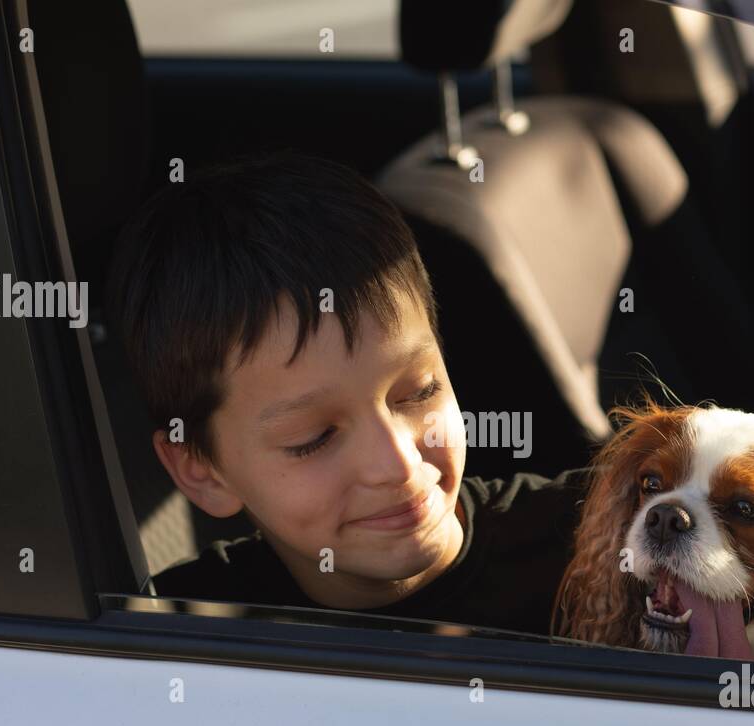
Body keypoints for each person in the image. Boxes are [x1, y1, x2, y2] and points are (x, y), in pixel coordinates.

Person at [106, 151, 589, 635]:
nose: (397, 464)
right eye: (314, 438)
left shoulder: (610, 541)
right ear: (203, 471)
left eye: (420, 392)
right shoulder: (173, 637)